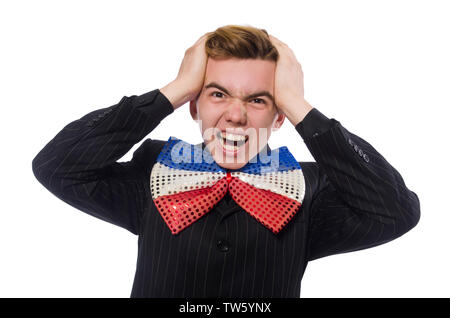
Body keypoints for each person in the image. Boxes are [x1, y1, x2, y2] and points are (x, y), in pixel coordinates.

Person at [32, 24, 420, 298]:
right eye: (218, 95)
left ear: (279, 116)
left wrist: (300, 104)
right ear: (194, 107)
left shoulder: (309, 189)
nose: (236, 116)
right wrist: (176, 89)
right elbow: (56, 166)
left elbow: (398, 211)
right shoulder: (153, 171)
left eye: (258, 100)